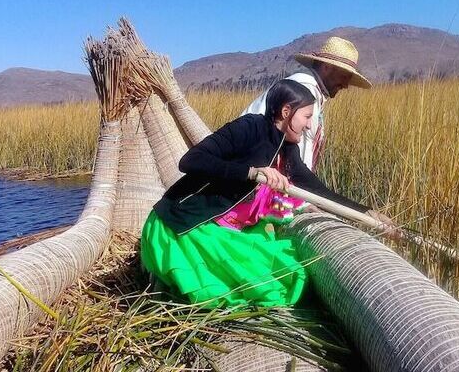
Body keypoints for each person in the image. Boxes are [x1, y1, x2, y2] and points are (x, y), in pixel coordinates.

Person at [141, 79, 394, 308]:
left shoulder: (286, 145)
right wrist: (251, 172)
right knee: (274, 283)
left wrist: (366, 213)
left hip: (218, 225)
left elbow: (315, 188)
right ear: (286, 112)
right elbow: (190, 161)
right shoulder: (248, 127)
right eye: (306, 117)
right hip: (182, 225)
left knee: (289, 271)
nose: (309, 125)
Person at [242, 36, 371, 170]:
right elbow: (299, 159)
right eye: (344, 76)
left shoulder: (309, 89)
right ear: (326, 67)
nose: (345, 85)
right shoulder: (304, 91)